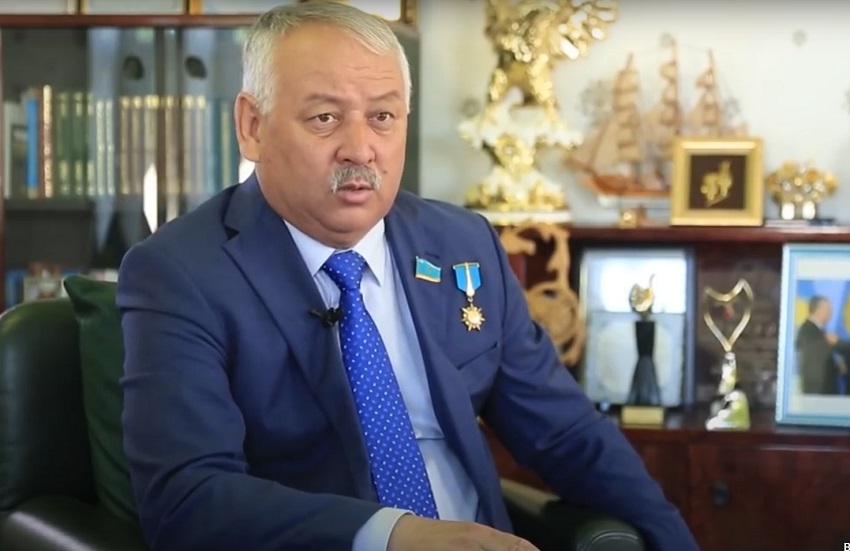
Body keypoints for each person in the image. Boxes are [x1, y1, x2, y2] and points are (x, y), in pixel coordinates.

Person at [116, 3, 700, 550]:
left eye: (382, 117)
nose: (361, 149)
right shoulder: (180, 273)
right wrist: (395, 537)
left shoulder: (463, 244)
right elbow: (186, 498)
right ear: (252, 126)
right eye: (325, 118)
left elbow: (567, 436)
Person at [795, 295, 850, 395]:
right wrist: (837, 344)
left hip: (822, 390)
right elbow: (817, 359)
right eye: (828, 309)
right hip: (818, 391)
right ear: (819, 310)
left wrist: (838, 366)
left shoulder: (818, 332)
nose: (831, 313)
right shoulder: (808, 331)